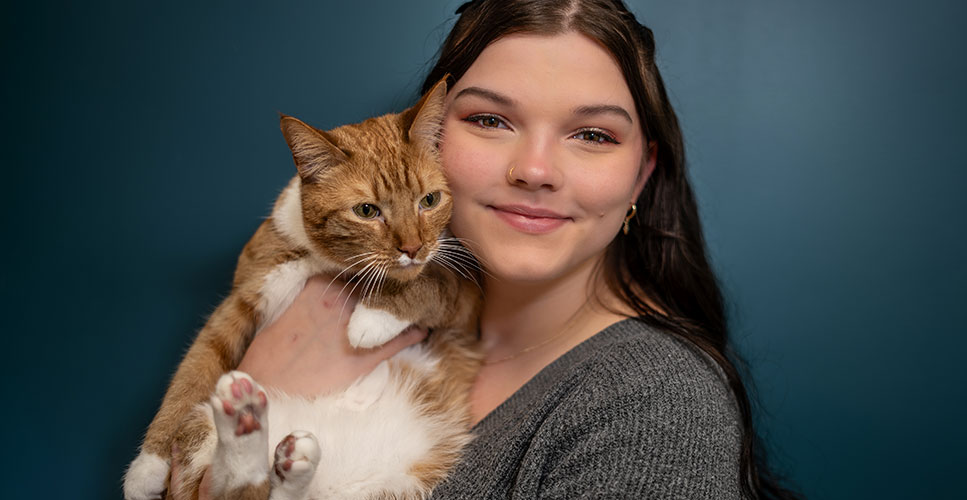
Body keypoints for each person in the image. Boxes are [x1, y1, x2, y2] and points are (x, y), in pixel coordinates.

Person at [185, 0, 800, 498]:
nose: (534, 170)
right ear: (425, 137)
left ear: (641, 174)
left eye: (593, 134)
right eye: (490, 120)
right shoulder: (343, 312)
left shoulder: (655, 405)